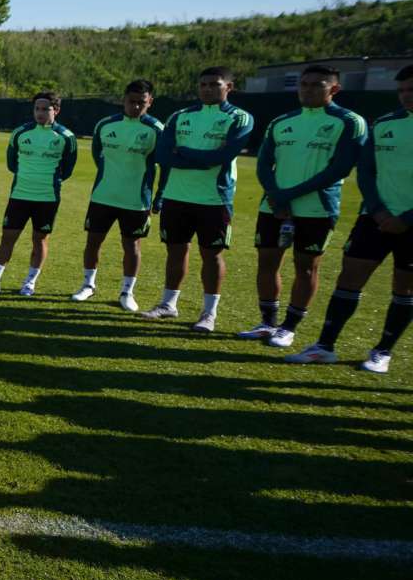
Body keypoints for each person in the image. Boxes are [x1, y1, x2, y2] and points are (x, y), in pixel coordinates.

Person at [286, 64, 413, 370]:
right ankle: (325, 346)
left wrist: (407, 217)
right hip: (375, 218)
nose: (406, 96)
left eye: (412, 90)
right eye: (402, 90)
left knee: (404, 287)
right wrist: (379, 210)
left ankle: (382, 351)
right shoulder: (383, 124)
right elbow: (367, 171)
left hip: (411, 223)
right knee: (348, 279)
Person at [237, 65, 367, 348]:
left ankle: (289, 326)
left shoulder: (349, 121)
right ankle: (267, 322)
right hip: (273, 206)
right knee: (267, 262)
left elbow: (340, 169)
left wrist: (289, 195)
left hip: (317, 209)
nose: (307, 89)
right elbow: (263, 163)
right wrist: (275, 194)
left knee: (306, 267)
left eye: (316, 85)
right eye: (303, 84)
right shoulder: (282, 121)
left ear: (334, 89)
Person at [142, 67, 254, 332]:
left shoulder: (239, 118)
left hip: (214, 199)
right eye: (203, 84)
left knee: (211, 256)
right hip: (176, 196)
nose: (207, 89)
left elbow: (222, 157)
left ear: (229, 87)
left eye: (214, 84)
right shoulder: (180, 116)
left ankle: (209, 314)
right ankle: (168, 305)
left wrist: (184, 152)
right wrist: (200, 157)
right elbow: (163, 156)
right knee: (175, 251)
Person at [0, 92, 78, 296]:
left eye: (45, 109)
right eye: (37, 109)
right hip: (19, 195)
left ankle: (29, 283)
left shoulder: (66, 137)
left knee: (40, 240)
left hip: (47, 198)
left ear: (56, 110)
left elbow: (67, 169)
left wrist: (48, 181)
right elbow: (12, 163)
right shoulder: (20, 133)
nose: (40, 113)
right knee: (7, 238)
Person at [71, 80, 163, 310]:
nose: (135, 107)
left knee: (132, 246)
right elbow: (97, 155)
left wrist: (159, 195)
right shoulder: (105, 124)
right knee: (93, 242)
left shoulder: (156, 129)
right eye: (131, 102)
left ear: (150, 102)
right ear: (123, 99)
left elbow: (164, 165)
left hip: (136, 200)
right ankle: (88, 285)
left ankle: (126, 292)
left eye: (141, 103)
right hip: (103, 196)